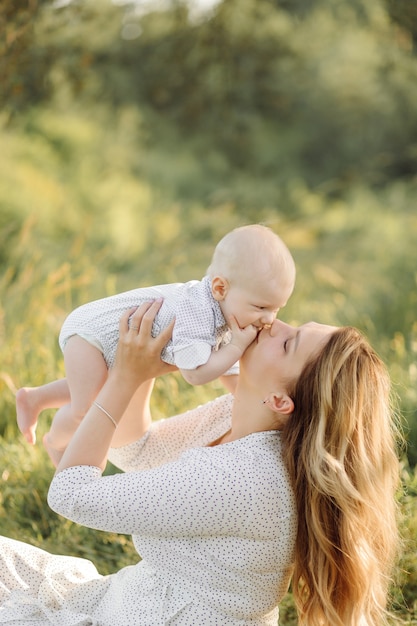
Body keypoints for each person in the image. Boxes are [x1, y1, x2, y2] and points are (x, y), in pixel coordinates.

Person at [1, 300, 400, 625]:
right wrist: (152, 363)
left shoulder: (242, 480)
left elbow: (71, 494)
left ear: (282, 401)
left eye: (288, 343)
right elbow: (139, 451)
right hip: (126, 602)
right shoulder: (238, 415)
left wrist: (123, 378)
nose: (275, 325)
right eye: (294, 326)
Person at [15, 224, 296, 465]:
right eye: (261, 307)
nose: (269, 319)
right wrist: (235, 347)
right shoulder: (197, 312)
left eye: (277, 308)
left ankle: (35, 398)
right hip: (90, 335)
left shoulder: (224, 314)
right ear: (220, 288)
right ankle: (56, 442)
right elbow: (196, 374)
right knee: (87, 408)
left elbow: (231, 374)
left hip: (112, 343)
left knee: (99, 384)